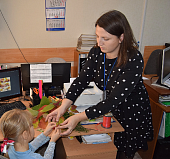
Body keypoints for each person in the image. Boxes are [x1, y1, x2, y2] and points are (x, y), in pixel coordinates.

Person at [46, 10, 153, 159]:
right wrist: (63, 107)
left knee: (123, 151)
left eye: (105, 38)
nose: (99, 42)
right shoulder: (96, 52)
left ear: (121, 37)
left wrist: (78, 118)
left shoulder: (133, 58)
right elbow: (81, 81)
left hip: (131, 110)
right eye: (97, 36)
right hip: (110, 107)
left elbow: (113, 101)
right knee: (108, 148)